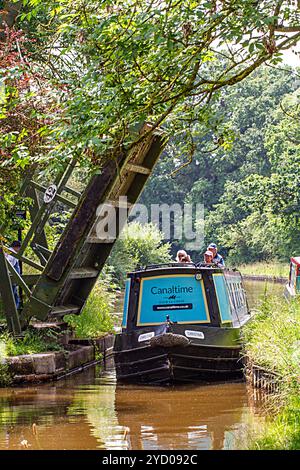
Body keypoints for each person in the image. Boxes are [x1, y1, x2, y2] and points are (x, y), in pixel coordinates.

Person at [5, 240, 21, 308]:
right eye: (19, 248)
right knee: (13, 294)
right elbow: (9, 263)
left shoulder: (8, 251)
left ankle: (13, 308)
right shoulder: (13, 253)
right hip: (11, 276)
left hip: (10, 276)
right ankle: (14, 309)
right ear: (17, 247)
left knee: (13, 293)